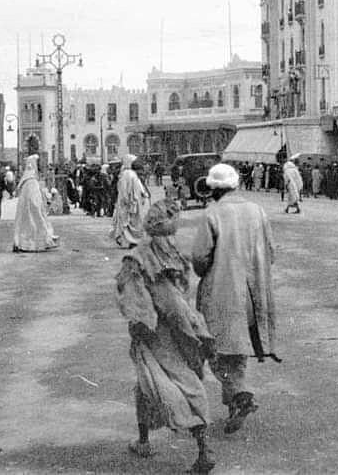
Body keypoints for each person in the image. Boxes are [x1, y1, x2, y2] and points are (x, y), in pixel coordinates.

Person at [116, 199, 216, 473]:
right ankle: (185, 444)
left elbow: (135, 302)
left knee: (156, 384)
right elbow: (181, 293)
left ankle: (155, 440)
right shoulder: (175, 255)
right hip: (182, 330)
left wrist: (140, 326)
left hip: (154, 334)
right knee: (184, 382)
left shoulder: (136, 257)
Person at [192, 163, 277, 435]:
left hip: (221, 290)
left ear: (213, 189)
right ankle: (235, 405)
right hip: (253, 291)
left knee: (215, 349)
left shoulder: (213, 213)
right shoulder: (257, 210)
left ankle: (241, 396)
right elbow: (271, 250)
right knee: (239, 348)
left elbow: (199, 258)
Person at [12, 155, 59, 252]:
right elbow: (33, 198)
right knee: (35, 225)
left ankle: (24, 244)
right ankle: (32, 245)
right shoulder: (31, 181)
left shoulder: (27, 180)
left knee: (30, 226)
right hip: (33, 209)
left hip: (29, 209)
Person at [111, 154, 152, 248]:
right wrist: (128, 201)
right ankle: (128, 241)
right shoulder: (127, 174)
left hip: (134, 202)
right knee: (128, 222)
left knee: (135, 222)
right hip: (129, 202)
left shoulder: (131, 173)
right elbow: (124, 190)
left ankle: (133, 240)